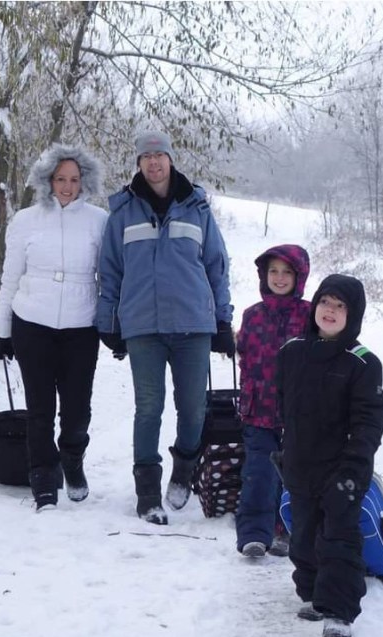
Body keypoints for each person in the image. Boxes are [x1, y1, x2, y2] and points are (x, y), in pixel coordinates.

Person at [96, 130, 234, 525]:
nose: (154, 162)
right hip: (143, 327)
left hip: (193, 324)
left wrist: (222, 318)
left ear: (171, 160)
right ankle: (148, 493)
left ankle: (184, 471)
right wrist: (109, 322)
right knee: (148, 408)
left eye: (160, 155)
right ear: (138, 163)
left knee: (193, 408)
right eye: (146, 156)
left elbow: (216, 266)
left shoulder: (197, 208)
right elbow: (109, 271)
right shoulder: (122, 212)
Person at [0, 144, 108, 511]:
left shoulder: (98, 221)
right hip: (33, 323)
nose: (67, 186)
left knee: (77, 411)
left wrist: (113, 325)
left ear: (84, 181)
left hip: (80, 326)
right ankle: (43, 477)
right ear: (48, 179)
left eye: (74, 179)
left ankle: (72, 459)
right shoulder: (25, 220)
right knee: (39, 409)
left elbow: (108, 278)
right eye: (60, 178)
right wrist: (2, 331)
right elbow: (10, 278)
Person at [276, 274, 383, 637]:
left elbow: (369, 422)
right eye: (325, 302)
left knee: (339, 537)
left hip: (343, 468)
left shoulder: (363, 362)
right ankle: (312, 594)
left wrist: (354, 467)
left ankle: (339, 612)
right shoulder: (292, 351)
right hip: (300, 464)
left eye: (341, 306)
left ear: (353, 314)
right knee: (305, 535)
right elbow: (285, 405)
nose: (330, 310)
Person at [235, 245, 311, 559]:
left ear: (299, 277)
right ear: (264, 276)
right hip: (258, 410)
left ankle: (287, 530)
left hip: (298, 412)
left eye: (287, 272)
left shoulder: (309, 314)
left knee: (294, 473)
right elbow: (242, 354)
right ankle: (254, 534)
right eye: (273, 271)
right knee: (259, 472)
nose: (279, 278)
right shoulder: (252, 315)